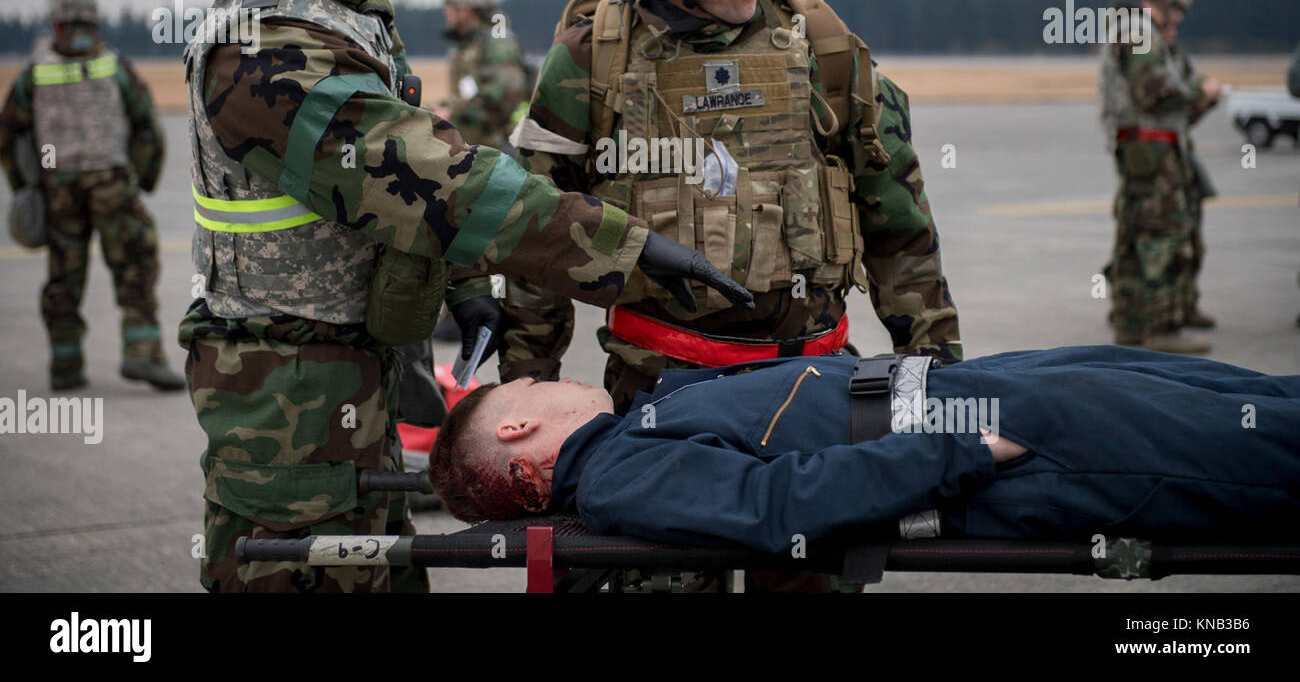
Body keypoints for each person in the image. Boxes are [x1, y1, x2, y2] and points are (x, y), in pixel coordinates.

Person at [181, 0, 751, 593]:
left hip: (345, 389)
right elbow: (427, 177)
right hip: (286, 416)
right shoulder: (265, 48)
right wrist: (626, 248)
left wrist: (462, 285)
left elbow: (400, 191)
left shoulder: (344, 19)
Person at [500, 0, 961, 412]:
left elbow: (901, 228)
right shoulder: (591, 60)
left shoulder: (823, 46)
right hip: (661, 396)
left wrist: (934, 386)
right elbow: (536, 241)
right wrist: (525, 395)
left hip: (816, 383)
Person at [428, 346, 1300, 553]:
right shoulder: (620, 474)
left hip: (999, 392)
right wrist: (964, 450)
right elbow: (783, 507)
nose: (545, 380)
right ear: (516, 430)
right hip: (1014, 442)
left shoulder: (636, 429)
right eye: (525, 390)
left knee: (1255, 401)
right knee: (1257, 451)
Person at [0, 0, 183, 392]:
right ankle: (143, 354)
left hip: (58, 187)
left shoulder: (34, 72)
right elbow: (147, 128)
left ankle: (64, 363)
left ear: (57, 26)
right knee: (136, 262)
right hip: (111, 182)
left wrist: (28, 187)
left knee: (64, 277)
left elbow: (9, 135)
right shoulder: (114, 66)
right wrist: (142, 177)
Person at [1099, 0, 1221, 353]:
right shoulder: (1137, 32)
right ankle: (1160, 328)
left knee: (1137, 232)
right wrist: (1200, 92)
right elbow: (1153, 92)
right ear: (1162, 4)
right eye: (1176, 12)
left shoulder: (1136, 32)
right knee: (1162, 234)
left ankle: (1132, 324)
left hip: (1148, 148)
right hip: (1151, 150)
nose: (1178, 21)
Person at [438, 0, 530, 152]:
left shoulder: (499, 44)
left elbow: (500, 104)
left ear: (466, 8)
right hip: (478, 149)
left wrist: (452, 114)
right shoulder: (469, 46)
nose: (446, 12)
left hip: (500, 152)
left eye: (450, 5)